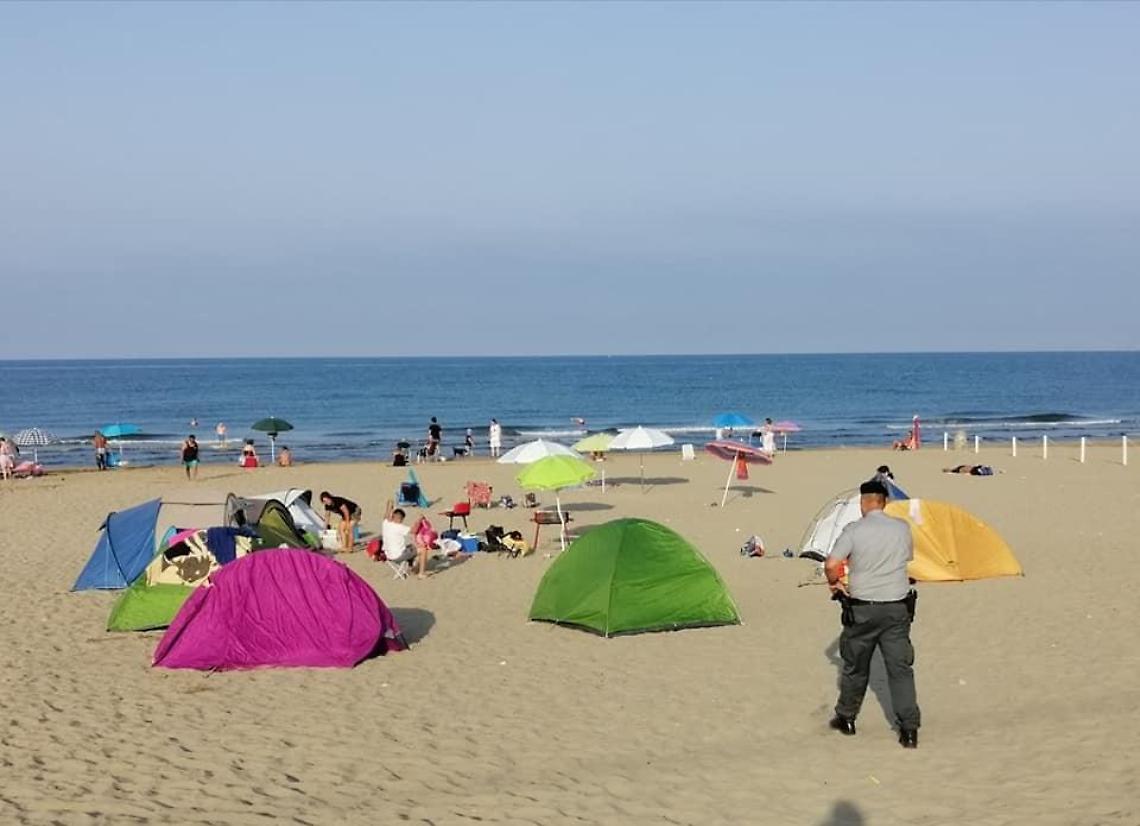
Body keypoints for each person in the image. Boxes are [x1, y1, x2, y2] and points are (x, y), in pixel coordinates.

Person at [824, 479, 921, 749]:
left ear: (864, 502)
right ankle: (909, 728)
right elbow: (905, 561)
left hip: (863, 608)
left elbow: (831, 564)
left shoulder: (854, 530)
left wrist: (835, 583)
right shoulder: (902, 528)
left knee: (855, 668)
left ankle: (846, 717)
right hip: (896, 607)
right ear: (884, 502)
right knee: (900, 670)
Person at [382, 499, 430, 579]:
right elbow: (414, 530)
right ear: (401, 519)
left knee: (411, 547)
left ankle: (412, 568)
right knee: (423, 549)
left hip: (388, 555)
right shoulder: (399, 527)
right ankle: (421, 573)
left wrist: (390, 505)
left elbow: (387, 513)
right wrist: (419, 519)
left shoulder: (386, 523)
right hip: (398, 556)